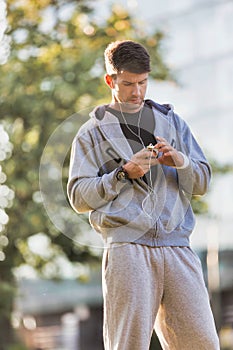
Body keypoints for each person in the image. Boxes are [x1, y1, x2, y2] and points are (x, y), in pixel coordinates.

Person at [67, 40, 220, 350]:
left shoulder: (174, 123)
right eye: (127, 84)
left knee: (202, 343)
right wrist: (123, 173)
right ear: (111, 81)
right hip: (127, 251)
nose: (137, 91)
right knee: (128, 345)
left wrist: (180, 161)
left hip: (178, 247)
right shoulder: (91, 133)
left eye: (142, 83)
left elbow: (202, 182)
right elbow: (78, 197)